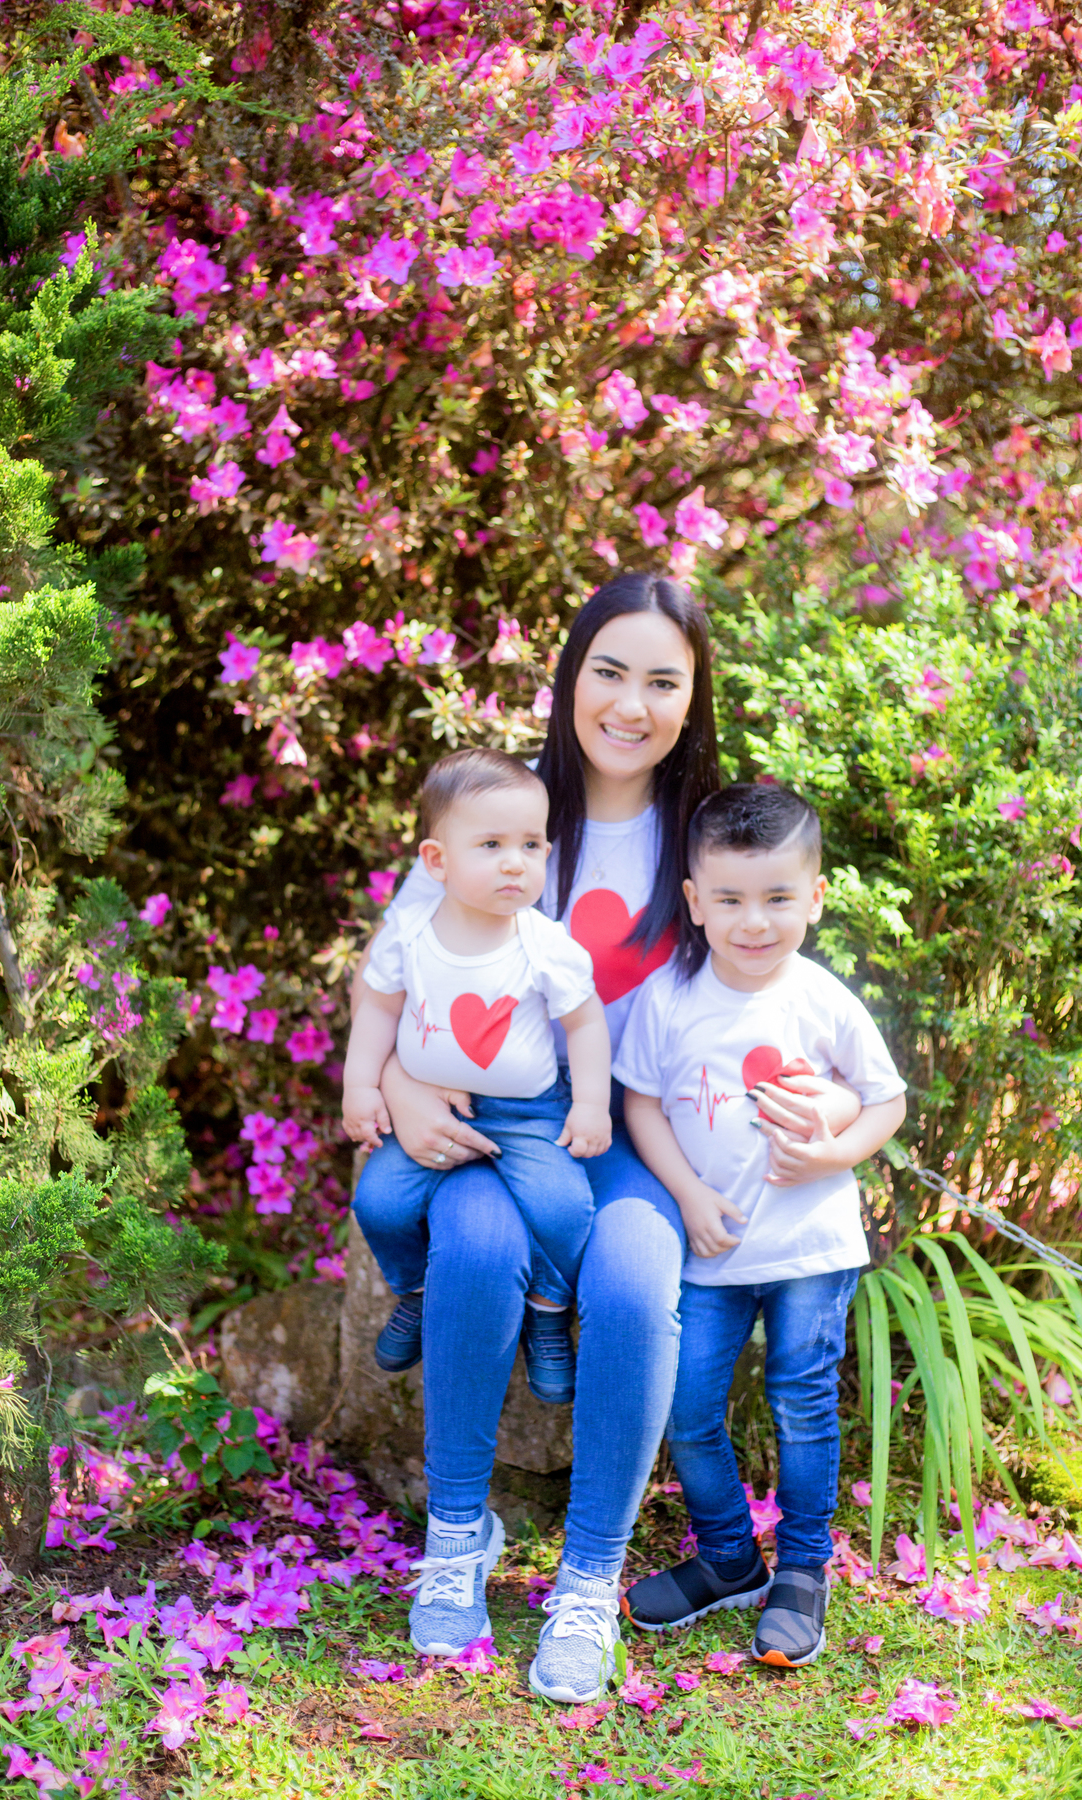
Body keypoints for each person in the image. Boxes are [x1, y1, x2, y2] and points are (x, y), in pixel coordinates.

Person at [352, 570, 864, 1703]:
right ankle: (457, 1537)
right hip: (499, 1129)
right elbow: (404, 963)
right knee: (477, 1250)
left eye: (662, 681)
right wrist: (396, 1077)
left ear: (694, 698)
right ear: (570, 678)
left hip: (642, 1142)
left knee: (636, 1287)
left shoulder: (716, 835)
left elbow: (789, 993)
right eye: (609, 671)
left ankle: (588, 1580)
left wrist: (836, 1109)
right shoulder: (509, 807)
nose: (630, 703)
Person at [617, 784, 907, 1667]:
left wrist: (833, 1155)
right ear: (696, 901)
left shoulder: (823, 1001)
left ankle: (804, 1572)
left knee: (802, 1403)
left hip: (812, 1251)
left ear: (815, 898)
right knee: (690, 1407)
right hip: (711, 1251)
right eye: (732, 899)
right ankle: (731, 1557)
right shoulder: (669, 1001)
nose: (755, 921)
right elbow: (640, 1103)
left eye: (779, 898)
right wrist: (689, 1197)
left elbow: (885, 1102)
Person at [344, 747, 611, 1415]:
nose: (516, 862)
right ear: (437, 862)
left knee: (565, 1207)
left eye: (531, 844)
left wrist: (590, 1104)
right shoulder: (410, 935)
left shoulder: (544, 945)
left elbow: (585, 1025)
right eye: (491, 844)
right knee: (379, 1203)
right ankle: (415, 1291)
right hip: (430, 1110)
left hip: (527, 1115)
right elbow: (377, 1010)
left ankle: (547, 1307)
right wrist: (362, 1087)